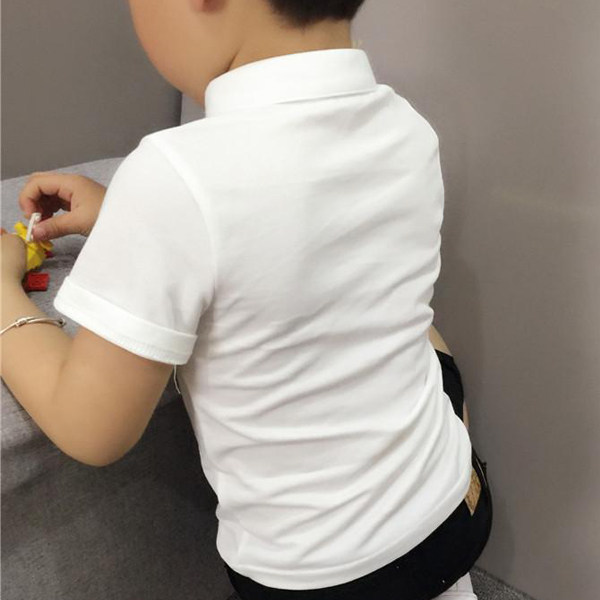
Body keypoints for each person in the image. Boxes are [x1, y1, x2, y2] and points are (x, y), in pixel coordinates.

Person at [1, 1, 492, 598]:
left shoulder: (171, 172)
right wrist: (128, 223)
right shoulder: (408, 127)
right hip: (454, 505)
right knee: (420, 332)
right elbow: (288, 250)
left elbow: (90, 428)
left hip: (322, 574)